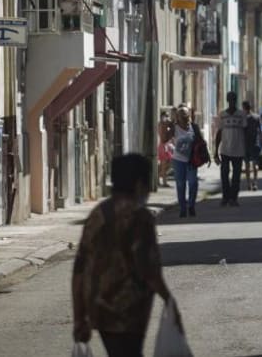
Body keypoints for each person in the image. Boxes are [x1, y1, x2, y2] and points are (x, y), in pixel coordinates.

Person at [72, 154, 179, 357]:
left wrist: (79, 317)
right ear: (139, 184)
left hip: (100, 309)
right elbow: (148, 270)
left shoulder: (97, 215)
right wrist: (168, 300)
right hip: (130, 311)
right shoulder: (140, 218)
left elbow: (79, 269)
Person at [214, 92, 246, 206]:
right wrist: (215, 151)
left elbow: (245, 131)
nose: (231, 101)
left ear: (236, 100)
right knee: (224, 174)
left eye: (233, 99)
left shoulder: (241, 114)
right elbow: (219, 133)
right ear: (227, 100)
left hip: (238, 149)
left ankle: (234, 198)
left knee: (236, 176)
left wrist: (246, 149)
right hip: (225, 150)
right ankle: (225, 197)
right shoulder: (222, 114)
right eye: (230, 99)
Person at [170, 106, 200, 218]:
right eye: (180, 114)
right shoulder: (174, 128)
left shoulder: (194, 127)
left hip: (191, 160)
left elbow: (201, 142)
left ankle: (191, 205)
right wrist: (168, 124)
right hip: (178, 160)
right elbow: (164, 139)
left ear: (188, 116)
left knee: (193, 183)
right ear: (177, 116)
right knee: (180, 184)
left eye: (184, 114)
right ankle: (183, 208)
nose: (182, 116)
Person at [241, 101, 262, 192]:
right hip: (255, 143)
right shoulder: (257, 117)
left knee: (247, 165)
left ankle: (248, 184)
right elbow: (261, 131)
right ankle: (255, 183)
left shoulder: (243, 119)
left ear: (244, 108)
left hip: (245, 144)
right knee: (255, 164)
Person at [156, 111, 174, 187]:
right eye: (165, 116)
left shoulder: (164, 124)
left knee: (168, 163)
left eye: (167, 116)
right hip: (163, 145)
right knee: (164, 165)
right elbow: (163, 135)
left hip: (165, 145)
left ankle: (158, 177)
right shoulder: (162, 124)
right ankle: (164, 182)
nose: (166, 118)